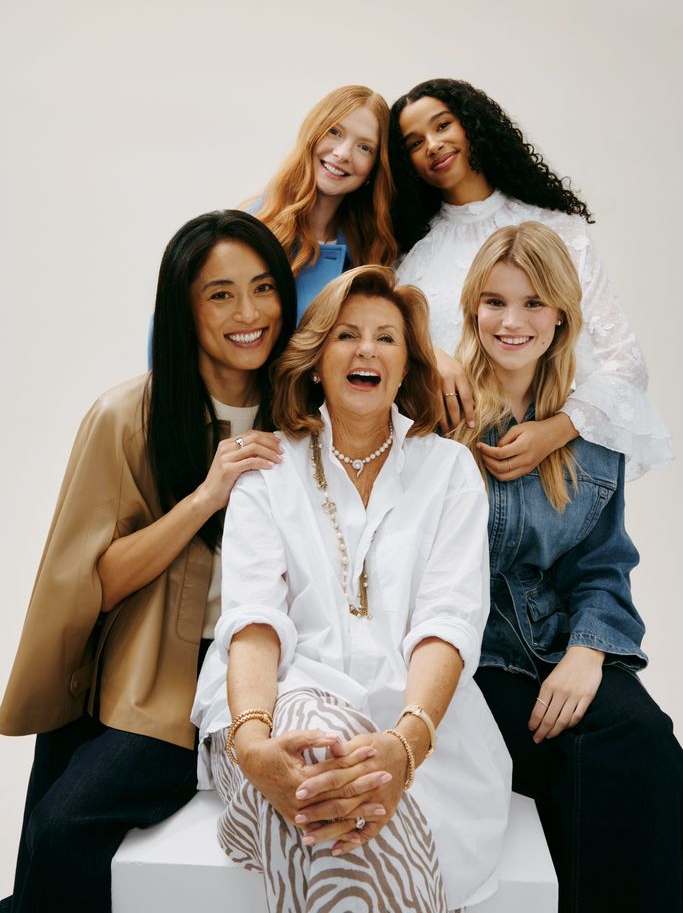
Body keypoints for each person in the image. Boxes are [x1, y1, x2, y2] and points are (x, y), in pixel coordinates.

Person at [0, 210, 297, 913]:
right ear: (182, 307)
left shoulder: (304, 407)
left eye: (262, 288)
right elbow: (95, 584)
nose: (248, 313)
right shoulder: (127, 416)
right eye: (219, 294)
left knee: (64, 827)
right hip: (140, 667)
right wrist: (204, 498)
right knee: (48, 838)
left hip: (252, 678)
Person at [191, 265, 511, 912]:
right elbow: (253, 623)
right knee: (318, 761)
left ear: (405, 365)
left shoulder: (448, 469)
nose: (366, 350)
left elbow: (448, 621)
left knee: (339, 814)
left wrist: (401, 746)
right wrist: (252, 745)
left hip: (415, 726)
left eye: (386, 338)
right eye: (346, 335)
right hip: (272, 710)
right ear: (315, 360)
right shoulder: (267, 469)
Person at [450, 221, 683, 913]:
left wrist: (587, 651)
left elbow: (602, 567)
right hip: (466, 653)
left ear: (560, 314)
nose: (511, 321)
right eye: (494, 302)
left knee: (641, 739)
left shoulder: (590, 432)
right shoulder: (437, 413)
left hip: (554, 643)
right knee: (566, 760)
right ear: (472, 310)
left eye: (531, 303)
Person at [390, 77, 672, 480]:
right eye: (414, 143)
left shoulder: (558, 230)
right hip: (434, 471)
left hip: (540, 467)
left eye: (442, 125)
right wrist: (427, 354)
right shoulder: (409, 255)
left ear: (474, 126)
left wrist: (553, 432)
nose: (432, 145)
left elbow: (624, 362)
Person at [247, 84, 397, 320]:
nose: (343, 153)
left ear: (375, 168)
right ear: (313, 133)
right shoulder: (253, 227)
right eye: (334, 132)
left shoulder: (368, 250)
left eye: (364, 147)